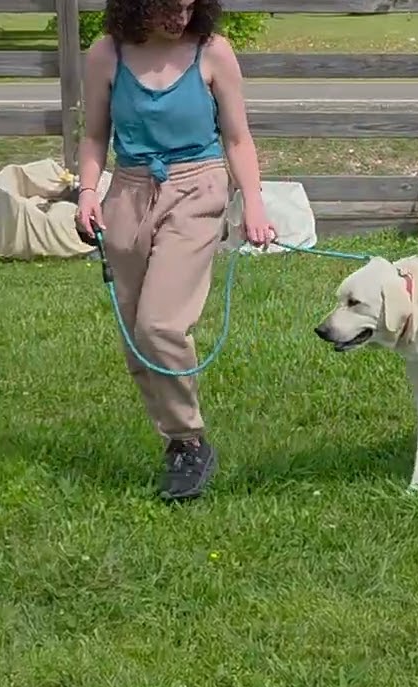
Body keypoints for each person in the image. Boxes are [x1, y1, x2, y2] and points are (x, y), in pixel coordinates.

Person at [74, 0, 276, 502]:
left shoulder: (213, 52)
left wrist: (253, 203)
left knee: (160, 325)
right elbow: (96, 136)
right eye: (170, 6)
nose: (181, 17)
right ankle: (175, 443)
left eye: (190, 5)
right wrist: (86, 192)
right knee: (136, 339)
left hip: (197, 189)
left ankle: (189, 440)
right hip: (128, 193)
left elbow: (238, 138)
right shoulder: (107, 54)